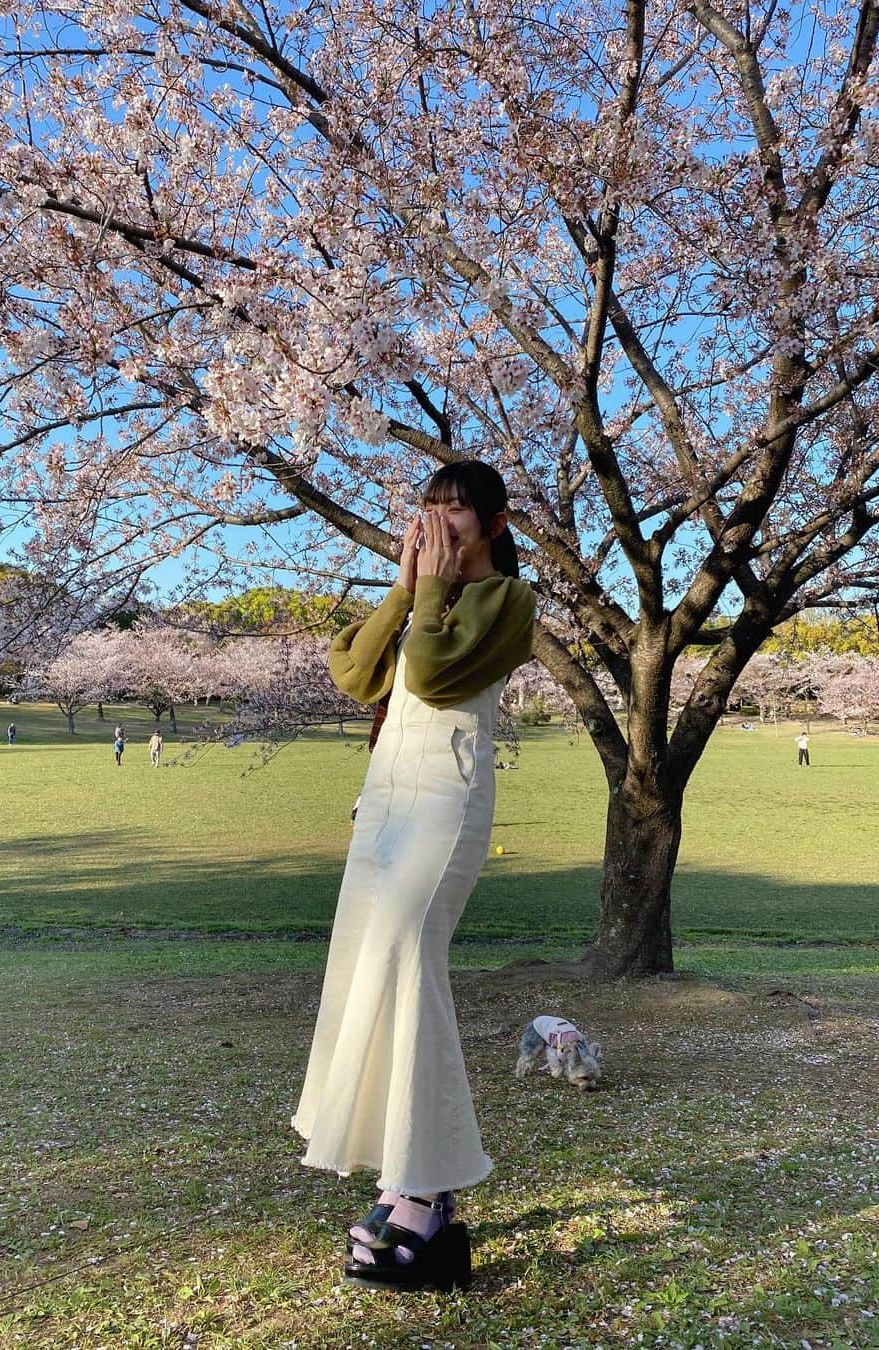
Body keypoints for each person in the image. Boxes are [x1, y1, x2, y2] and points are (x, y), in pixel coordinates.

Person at [291, 460, 535, 1294]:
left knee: (407, 960)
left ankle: (430, 1186)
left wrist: (430, 595)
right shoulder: (419, 596)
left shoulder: (508, 604)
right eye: (430, 509)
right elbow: (356, 674)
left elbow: (430, 674)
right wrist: (402, 589)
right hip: (383, 803)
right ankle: (399, 1172)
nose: (440, 525)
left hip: (443, 804)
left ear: (496, 524)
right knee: (368, 969)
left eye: (458, 512)